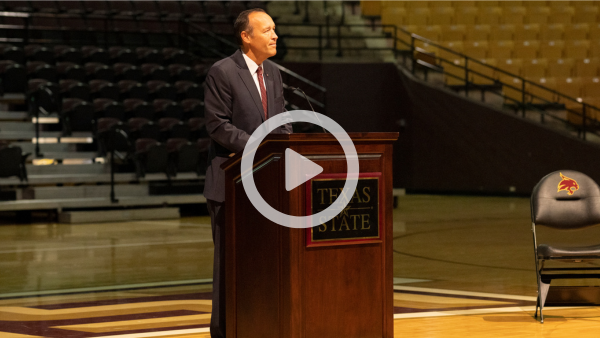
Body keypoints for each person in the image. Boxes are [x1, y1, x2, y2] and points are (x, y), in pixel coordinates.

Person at [203, 8, 292, 338]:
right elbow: (217, 125)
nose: (274, 35)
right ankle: (224, 332)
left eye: (274, 29)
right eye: (267, 29)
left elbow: (282, 121)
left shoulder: (274, 74)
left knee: (264, 265)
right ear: (246, 36)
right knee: (229, 267)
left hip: (267, 184)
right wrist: (261, 146)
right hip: (230, 182)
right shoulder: (222, 71)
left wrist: (285, 146)